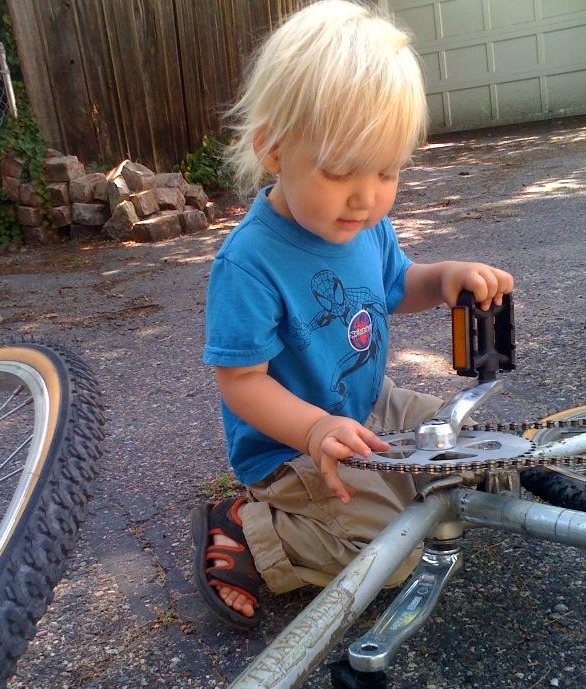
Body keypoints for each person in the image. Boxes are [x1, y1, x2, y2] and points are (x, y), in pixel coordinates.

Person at [193, 0, 514, 629]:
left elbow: (398, 285)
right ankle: (249, 528)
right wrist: (314, 430)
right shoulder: (249, 263)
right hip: (289, 446)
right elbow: (241, 382)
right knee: (388, 553)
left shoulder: (366, 226)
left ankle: (400, 480)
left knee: (470, 447)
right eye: (342, 172)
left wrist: (443, 279)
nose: (367, 197)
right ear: (273, 149)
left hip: (370, 403)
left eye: (388, 171)